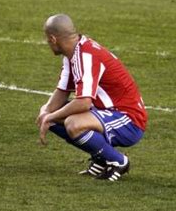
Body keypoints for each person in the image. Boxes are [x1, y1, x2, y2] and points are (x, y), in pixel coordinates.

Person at [36, 14, 148, 181]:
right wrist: (46, 112)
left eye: (47, 39)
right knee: (48, 115)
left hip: (129, 120)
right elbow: (62, 90)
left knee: (73, 123)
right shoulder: (73, 53)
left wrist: (51, 116)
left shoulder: (85, 56)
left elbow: (83, 103)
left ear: (53, 39)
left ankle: (119, 161)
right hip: (106, 111)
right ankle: (101, 158)